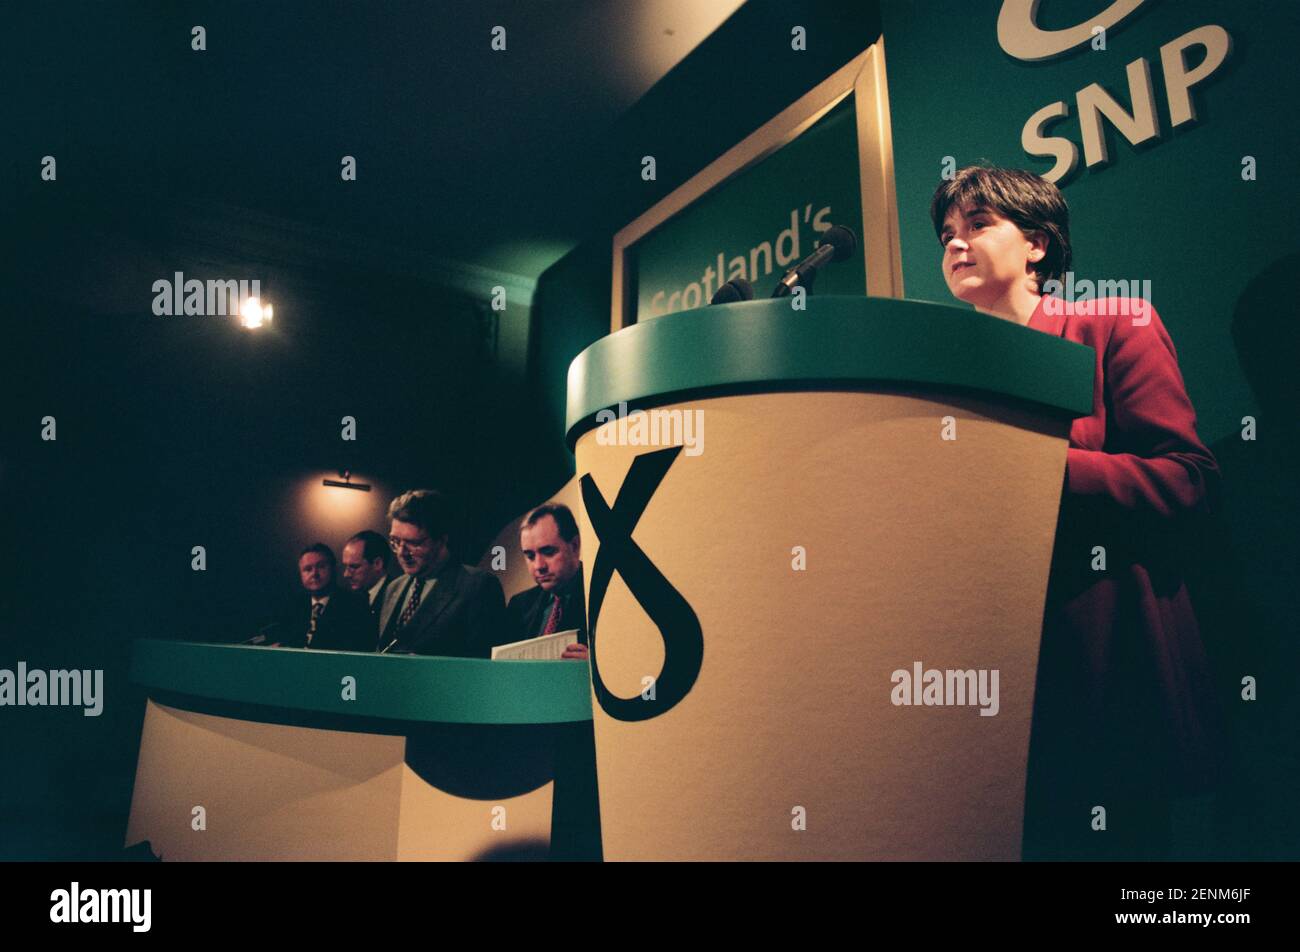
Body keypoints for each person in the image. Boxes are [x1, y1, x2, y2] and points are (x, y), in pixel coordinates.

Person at [930, 165, 1225, 860]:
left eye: (977, 225)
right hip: (989, 666)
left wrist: (1032, 468)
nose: (954, 245)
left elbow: (1187, 480)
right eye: (946, 234)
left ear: (1037, 244)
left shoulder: (1114, 323)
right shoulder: (945, 368)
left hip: (1108, 657)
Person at [376, 489, 506, 657]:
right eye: (395, 541)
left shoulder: (477, 586)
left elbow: (483, 664)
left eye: (413, 543)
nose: (401, 552)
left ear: (442, 539)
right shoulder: (393, 588)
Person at [505, 503, 588, 660]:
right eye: (530, 556)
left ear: (575, 546)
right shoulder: (519, 605)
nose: (538, 566)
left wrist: (599, 666)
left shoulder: (603, 598)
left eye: (548, 552)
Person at [275, 543, 374, 652]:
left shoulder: (355, 605)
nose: (314, 574)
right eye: (308, 569)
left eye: (321, 567)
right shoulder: (293, 606)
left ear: (333, 569)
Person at [340, 529, 393, 628]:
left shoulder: (397, 598)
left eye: (354, 567)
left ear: (377, 564)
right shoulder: (350, 600)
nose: (346, 574)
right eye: (346, 566)